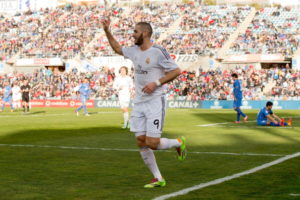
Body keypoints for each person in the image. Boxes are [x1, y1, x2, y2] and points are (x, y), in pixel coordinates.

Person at [102, 19, 187, 188]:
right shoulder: (133, 50)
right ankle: (158, 178)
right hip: (139, 102)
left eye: (135, 32)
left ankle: (178, 142)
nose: (132, 34)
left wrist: (156, 82)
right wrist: (107, 31)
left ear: (145, 33)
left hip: (155, 101)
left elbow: (176, 71)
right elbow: (118, 49)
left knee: (152, 144)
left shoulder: (157, 52)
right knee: (141, 141)